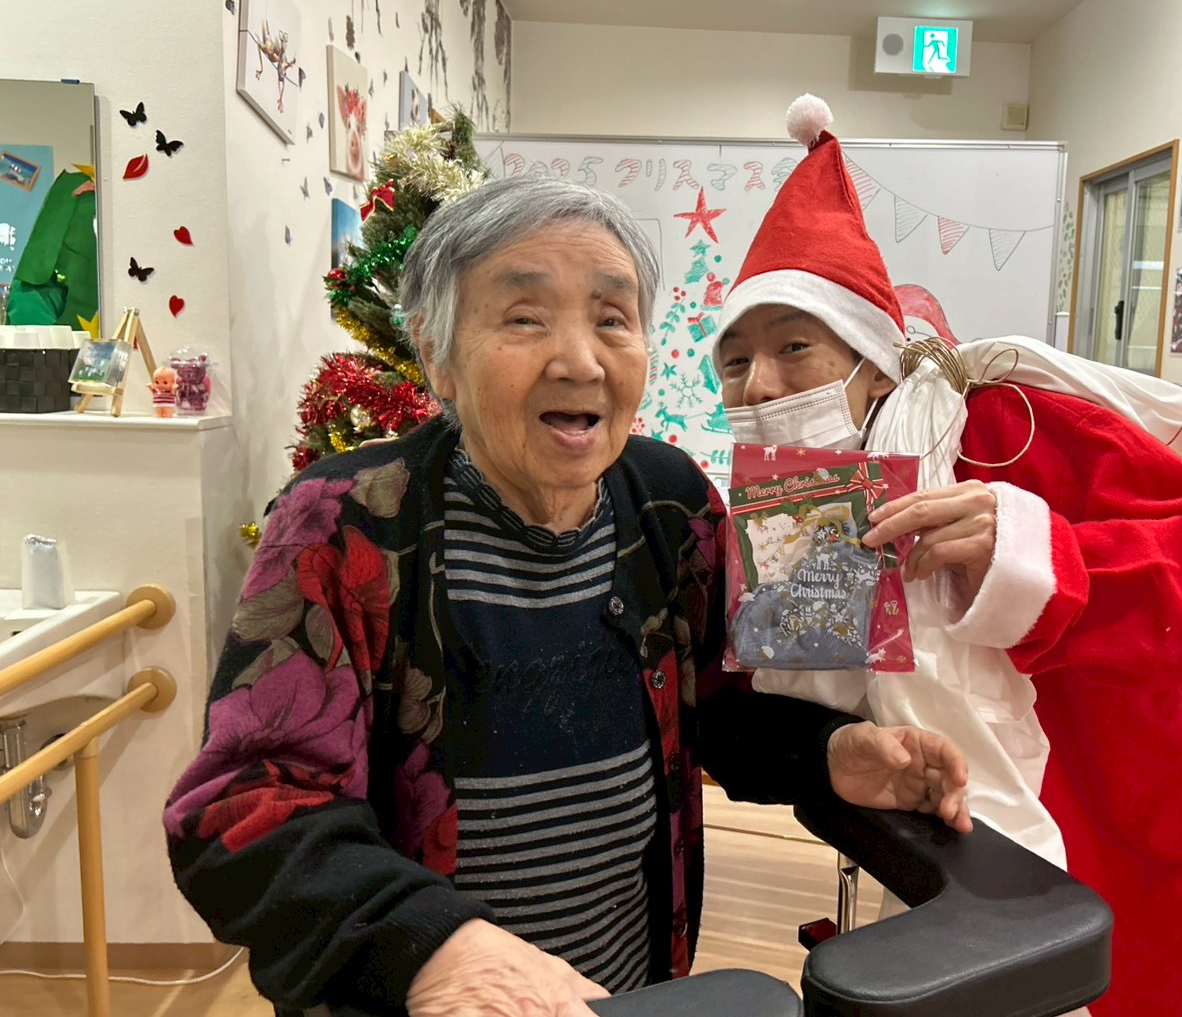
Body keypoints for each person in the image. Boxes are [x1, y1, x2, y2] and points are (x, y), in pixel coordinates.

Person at [711, 95, 1182, 1016]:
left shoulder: (1003, 429)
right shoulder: (789, 508)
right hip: (1003, 890)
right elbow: (795, 713)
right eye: (733, 363)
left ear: (874, 360)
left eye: (794, 348)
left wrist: (1040, 557)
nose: (761, 387)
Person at [163, 175, 971, 1017]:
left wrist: (828, 754)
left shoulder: (670, 502)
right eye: (524, 318)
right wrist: (433, 946)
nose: (581, 361)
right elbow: (244, 806)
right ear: (437, 354)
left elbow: (715, 707)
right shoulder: (344, 524)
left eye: (612, 319)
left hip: (628, 990)